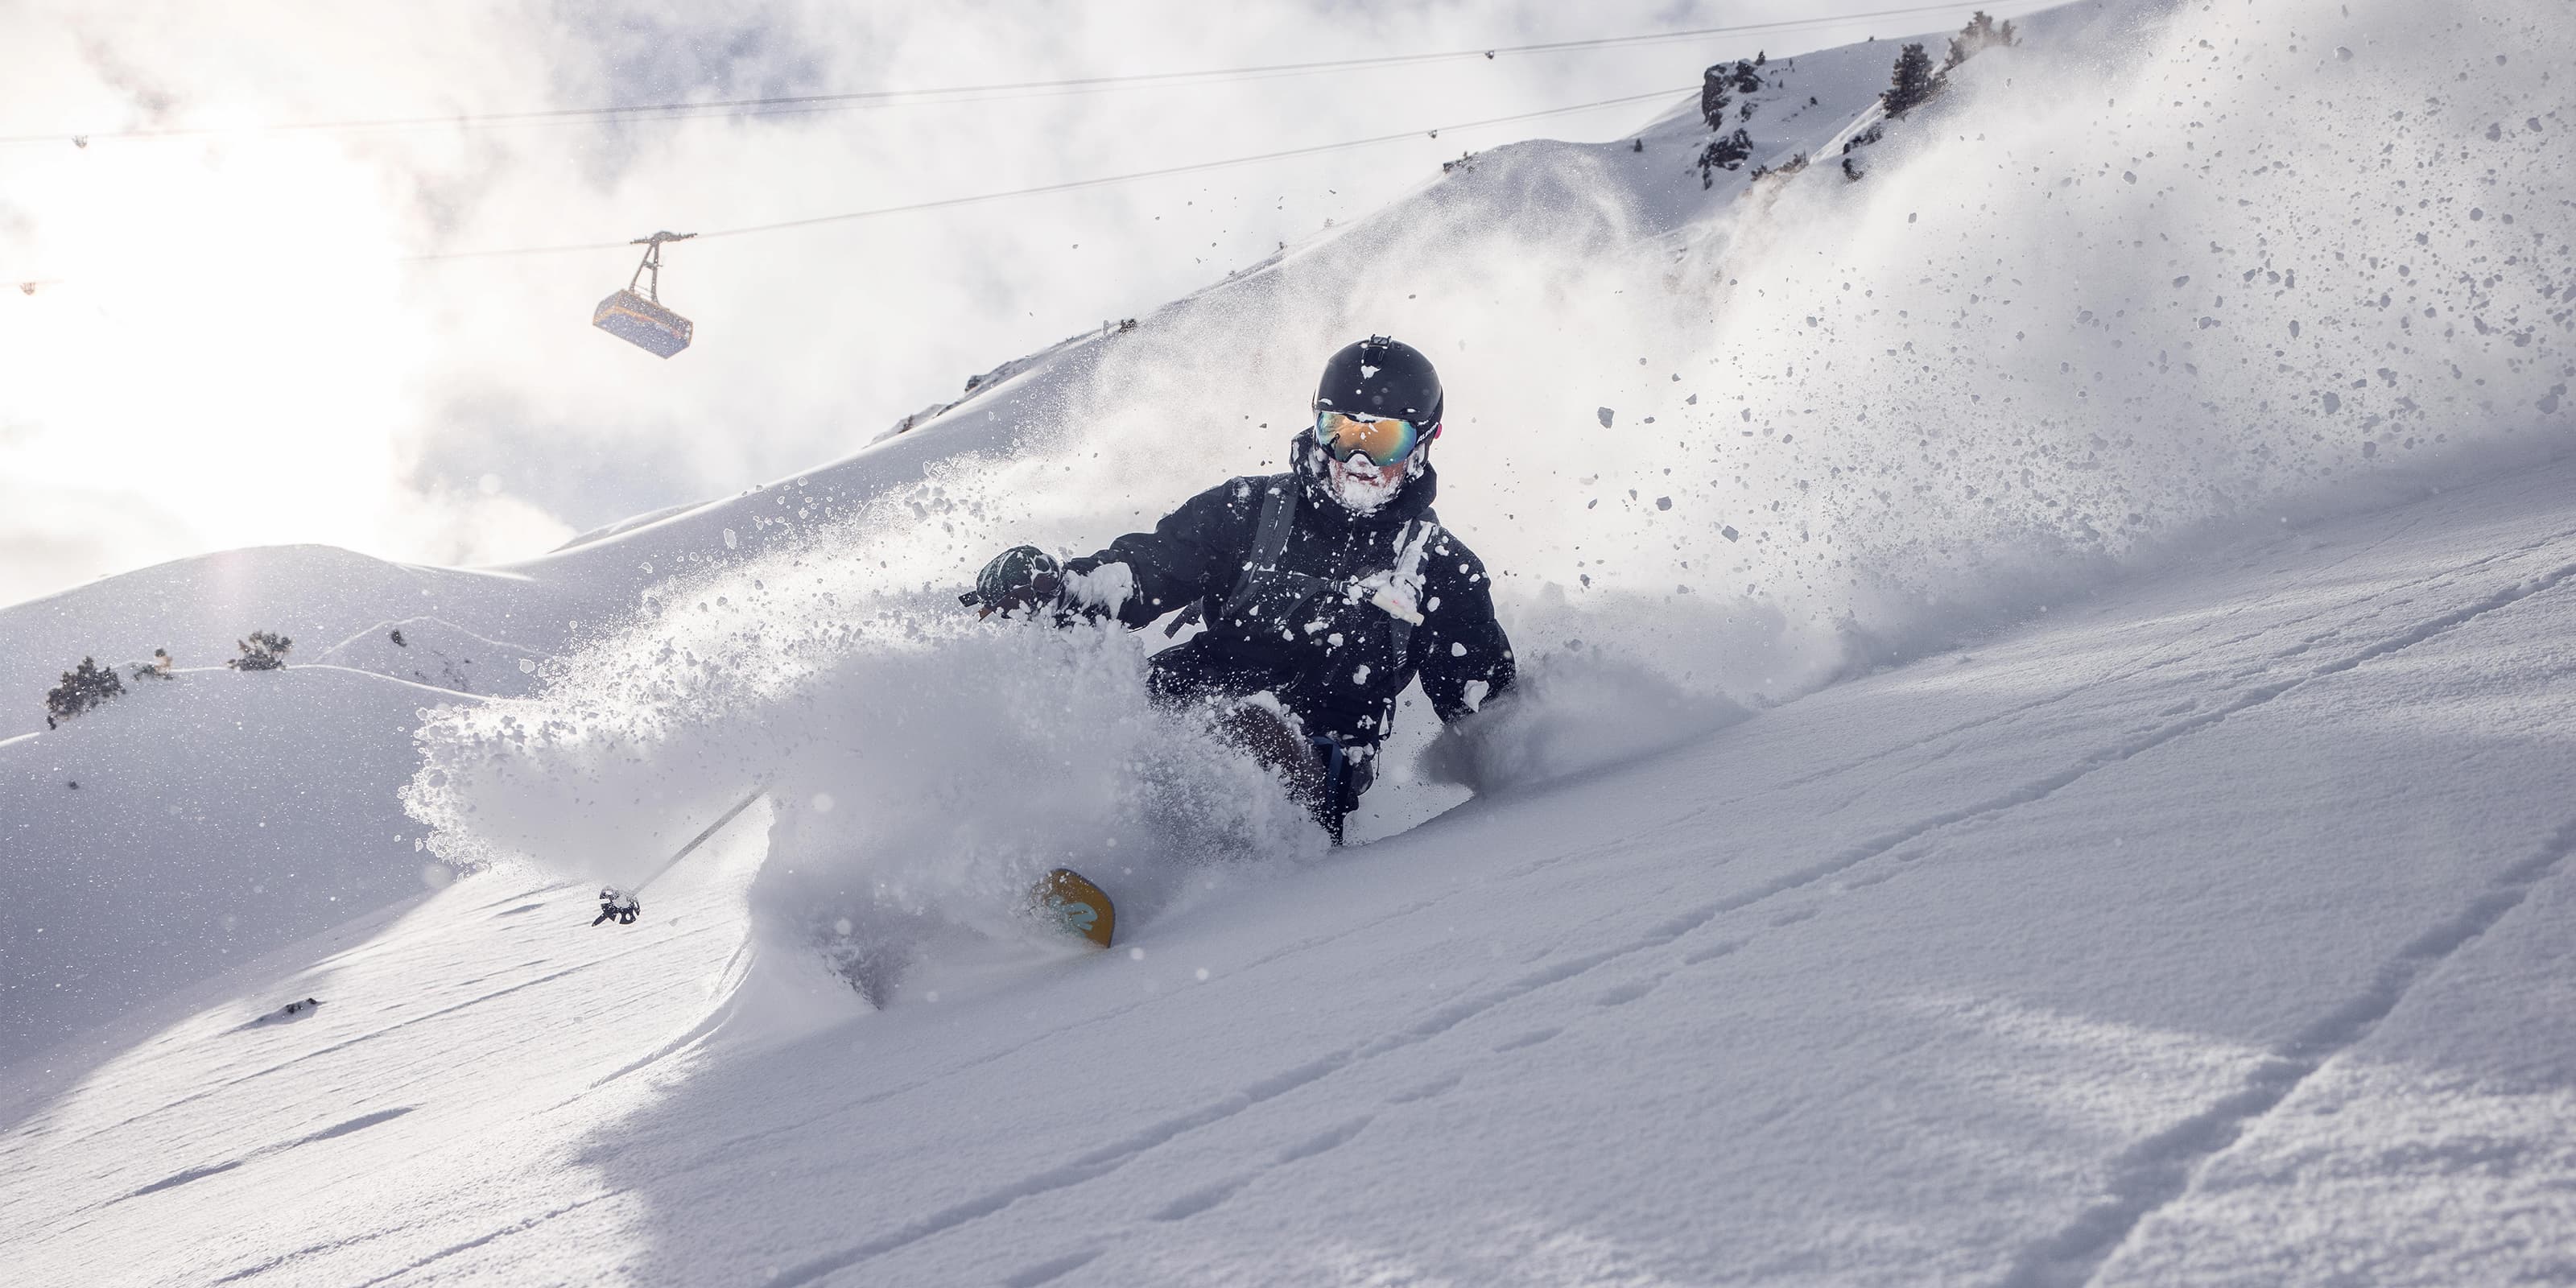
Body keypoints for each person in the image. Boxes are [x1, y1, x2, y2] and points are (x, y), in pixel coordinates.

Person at [968, 335, 1515, 843]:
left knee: (1247, 735)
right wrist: (1059, 591)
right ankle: (1018, 846)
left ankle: (1145, 869)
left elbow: (1490, 718)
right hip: (1174, 705)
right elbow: (1142, 573)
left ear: (1424, 443)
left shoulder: (1441, 572)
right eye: (1342, 433)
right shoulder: (1249, 511)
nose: (1358, 461)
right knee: (1076, 718)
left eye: (1384, 439)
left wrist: (1534, 759)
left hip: (1300, 772)